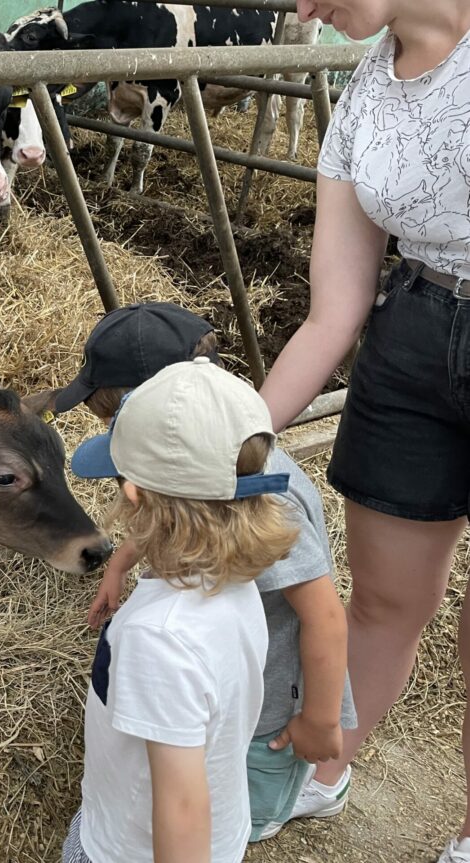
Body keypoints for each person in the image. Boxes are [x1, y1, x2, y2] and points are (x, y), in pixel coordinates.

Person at [259, 1, 470, 859]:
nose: (303, 10)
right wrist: (230, 442)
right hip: (413, 333)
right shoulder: (367, 86)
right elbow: (331, 311)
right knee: (384, 597)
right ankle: (324, 766)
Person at [57, 302, 355, 842]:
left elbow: (327, 618)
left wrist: (320, 721)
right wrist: (120, 565)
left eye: (114, 422)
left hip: (269, 712)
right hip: (234, 682)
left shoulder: (272, 500)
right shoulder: (236, 468)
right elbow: (176, 508)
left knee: (243, 801)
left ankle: (294, 802)